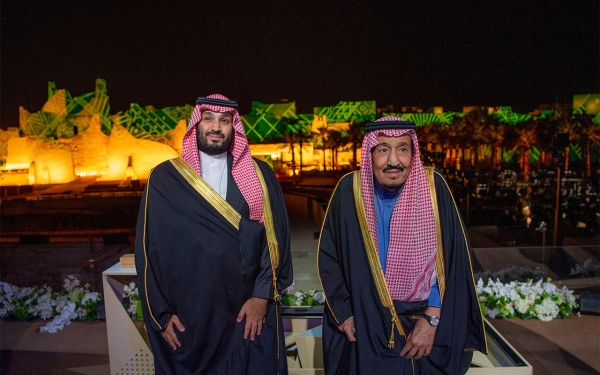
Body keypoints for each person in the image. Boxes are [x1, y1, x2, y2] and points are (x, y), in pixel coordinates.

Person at [135, 94, 293, 375]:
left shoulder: (260, 175)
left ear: (235, 128)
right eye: (208, 119)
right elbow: (149, 252)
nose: (216, 127)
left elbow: (274, 240)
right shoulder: (164, 179)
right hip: (190, 316)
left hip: (245, 314)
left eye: (225, 120)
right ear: (196, 124)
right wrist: (160, 314)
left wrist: (260, 297)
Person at [318, 116, 487, 374]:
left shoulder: (433, 186)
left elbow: (455, 260)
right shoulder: (348, 190)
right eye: (384, 149)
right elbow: (330, 257)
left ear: (413, 152)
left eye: (403, 149)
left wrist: (432, 318)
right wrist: (345, 314)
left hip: (423, 324)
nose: (394, 161)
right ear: (370, 153)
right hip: (365, 321)